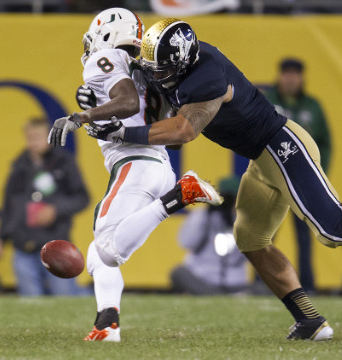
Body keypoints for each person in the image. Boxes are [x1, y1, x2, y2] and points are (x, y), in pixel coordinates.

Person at [79, 18, 342, 341]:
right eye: (151, 65)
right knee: (250, 239)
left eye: (162, 68)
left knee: (334, 231)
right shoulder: (167, 63)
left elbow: (182, 132)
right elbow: (146, 96)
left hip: (281, 145)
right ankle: (309, 319)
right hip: (258, 157)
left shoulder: (207, 76)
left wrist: (117, 134)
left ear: (182, 61)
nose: (155, 73)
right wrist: (96, 102)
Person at [47, 8, 222, 342]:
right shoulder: (147, 68)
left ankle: (180, 195)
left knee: (109, 250)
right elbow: (131, 100)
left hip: (135, 164)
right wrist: (92, 103)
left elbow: (126, 103)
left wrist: (80, 116)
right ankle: (106, 324)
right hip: (154, 164)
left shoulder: (107, 58)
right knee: (98, 254)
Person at [0, 118, 90, 296]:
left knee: (65, 297)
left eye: (38, 136)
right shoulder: (19, 167)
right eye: (30, 137)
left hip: (55, 242)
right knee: (31, 303)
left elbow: (82, 198)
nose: (33, 141)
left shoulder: (63, 162)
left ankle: (89, 296)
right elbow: (8, 206)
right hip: (23, 243)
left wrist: (56, 209)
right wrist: (0, 238)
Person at [264, 57, 332, 292]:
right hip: (272, 177)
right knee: (265, 232)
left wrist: (319, 174)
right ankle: (263, 281)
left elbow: (325, 143)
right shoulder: (267, 101)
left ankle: (307, 283)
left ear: (302, 77)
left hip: (302, 180)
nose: (291, 78)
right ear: (280, 76)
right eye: (287, 73)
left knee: (304, 234)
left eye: (295, 73)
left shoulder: (313, 106)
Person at [171, 175, 249, 295]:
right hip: (203, 279)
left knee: (270, 282)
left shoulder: (246, 222)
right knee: (178, 273)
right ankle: (222, 297)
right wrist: (206, 216)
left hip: (234, 282)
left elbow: (252, 255)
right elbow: (186, 242)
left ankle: (224, 296)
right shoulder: (202, 215)